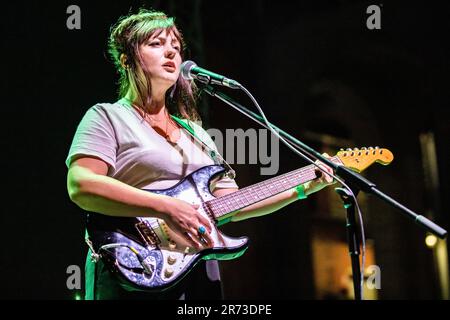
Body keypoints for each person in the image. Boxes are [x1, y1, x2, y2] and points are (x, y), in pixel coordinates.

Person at [66, 8, 334, 300]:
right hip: (132, 263)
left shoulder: (197, 133)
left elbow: (233, 203)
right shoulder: (108, 117)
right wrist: (164, 207)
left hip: (197, 269)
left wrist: (306, 186)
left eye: (176, 47)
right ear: (127, 59)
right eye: (156, 44)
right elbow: (82, 185)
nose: (170, 52)